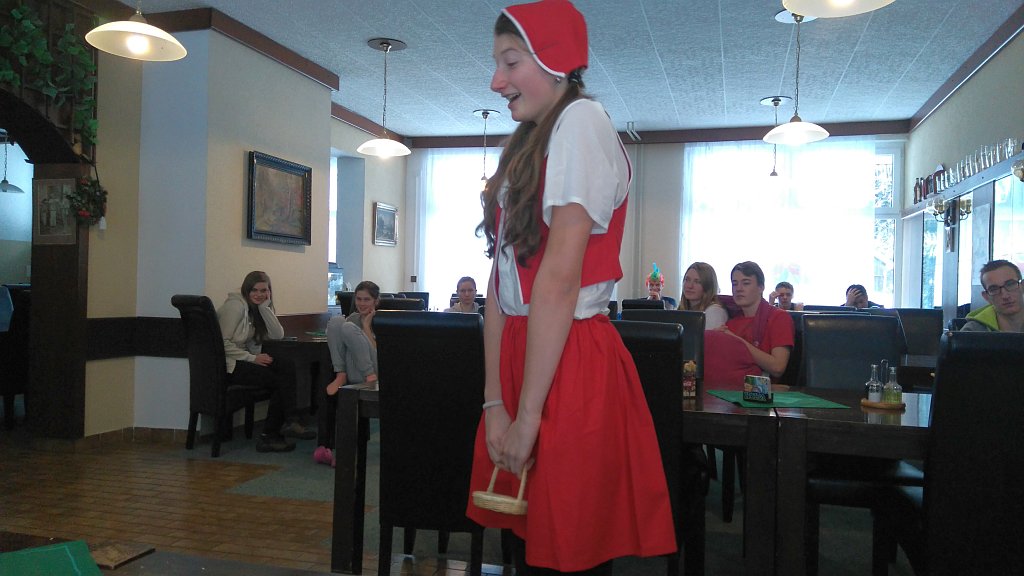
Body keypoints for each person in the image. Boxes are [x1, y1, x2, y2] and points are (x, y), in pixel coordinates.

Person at [467, 1, 676, 573]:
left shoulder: (581, 122)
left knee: (565, 555)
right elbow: (499, 286)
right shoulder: (529, 141)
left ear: (555, 62)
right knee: (525, 545)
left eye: (511, 62)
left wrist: (528, 414)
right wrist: (494, 403)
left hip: (568, 358)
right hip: (526, 353)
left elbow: (558, 282)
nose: (496, 81)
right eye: (497, 63)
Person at [217, 271, 315, 453]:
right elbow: (221, 343)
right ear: (246, 290)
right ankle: (272, 434)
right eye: (254, 290)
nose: (259, 294)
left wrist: (265, 308)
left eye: (264, 290)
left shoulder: (254, 309)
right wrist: (253, 358)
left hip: (241, 360)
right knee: (280, 380)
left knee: (286, 365)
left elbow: (278, 335)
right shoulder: (235, 307)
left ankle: (288, 422)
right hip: (229, 365)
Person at [314, 281, 381, 466]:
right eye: (359, 299)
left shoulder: (382, 320)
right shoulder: (352, 319)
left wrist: (366, 327)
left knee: (347, 327)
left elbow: (380, 352)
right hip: (354, 371)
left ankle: (367, 376)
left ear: (376, 301)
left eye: (367, 299)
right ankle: (340, 373)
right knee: (337, 321)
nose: (362, 303)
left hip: (375, 370)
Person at [717, 261, 794, 379]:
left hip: (764, 388)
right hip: (733, 384)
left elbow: (777, 367)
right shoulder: (731, 323)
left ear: (761, 287)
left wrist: (736, 341)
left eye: (746, 283)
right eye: (734, 284)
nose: (738, 289)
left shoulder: (779, 317)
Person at [961, 259, 1024, 332]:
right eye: (994, 289)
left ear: (1022, 286)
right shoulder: (972, 331)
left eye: (1010, 284)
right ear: (986, 297)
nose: (1005, 296)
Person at [679, 261, 728, 329]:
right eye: (687, 279)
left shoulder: (714, 312)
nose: (690, 286)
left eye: (697, 282)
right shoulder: (683, 309)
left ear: (708, 286)